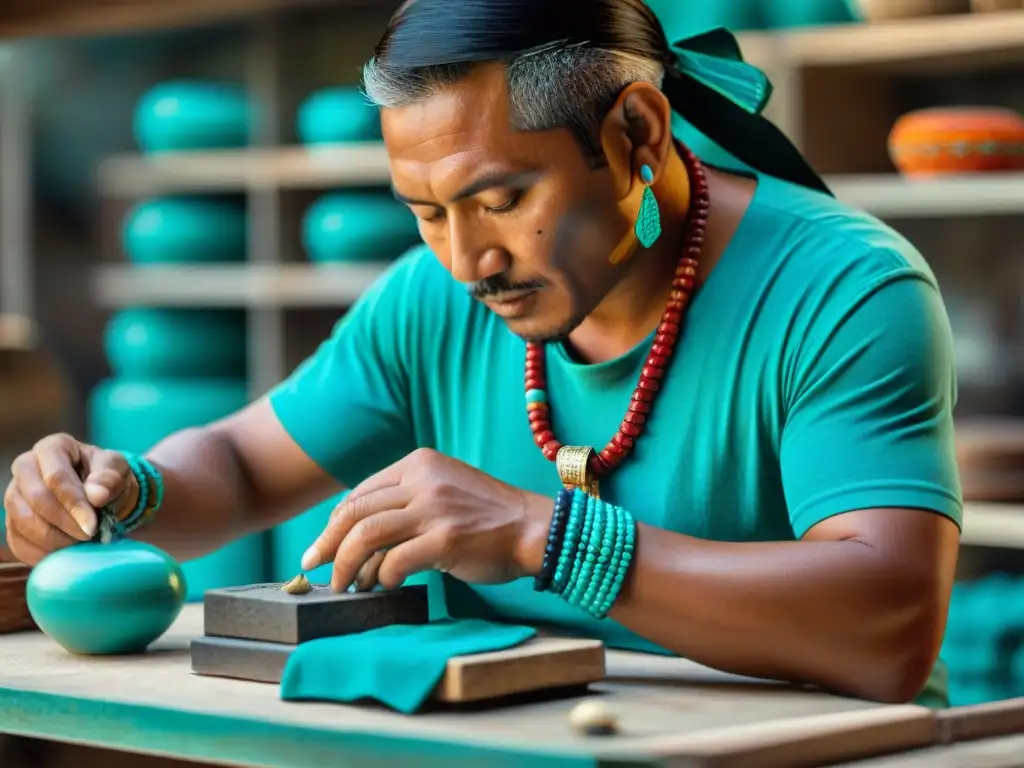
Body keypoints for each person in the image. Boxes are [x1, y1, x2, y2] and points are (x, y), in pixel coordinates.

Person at [4, 0, 961, 706]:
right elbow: (247, 464)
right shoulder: (432, 297)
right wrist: (124, 488)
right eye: (427, 213)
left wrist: (543, 536)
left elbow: (887, 623)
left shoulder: (845, 291)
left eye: (501, 201)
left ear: (636, 133)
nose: (470, 261)